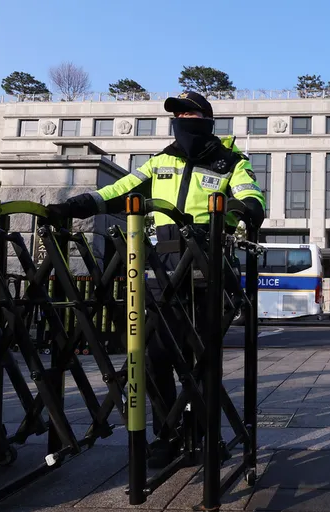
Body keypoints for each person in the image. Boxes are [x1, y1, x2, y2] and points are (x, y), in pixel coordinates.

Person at [47, 91, 266, 467]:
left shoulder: (231, 161)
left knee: (203, 358)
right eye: (176, 113)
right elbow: (118, 191)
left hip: (207, 265)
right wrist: (75, 205)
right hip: (163, 266)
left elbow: (252, 198)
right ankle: (168, 432)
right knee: (156, 355)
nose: (181, 117)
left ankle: (201, 429)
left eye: (188, 112)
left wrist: (246, 209)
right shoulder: (160, 161)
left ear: (206, 118)